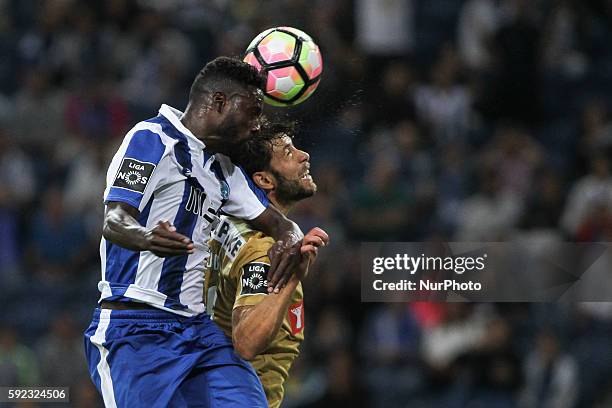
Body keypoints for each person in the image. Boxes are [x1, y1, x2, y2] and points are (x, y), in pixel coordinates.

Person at [84, 57, 312, 408]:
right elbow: (114, 219)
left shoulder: (222, 168)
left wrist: (290, 243)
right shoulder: (152, 139)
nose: (256, 126)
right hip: (135, 328)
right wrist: (145, 238)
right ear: (219, 102)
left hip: (197, 332)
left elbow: (282, 224)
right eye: (252, 113)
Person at [204, 121, 329, 408]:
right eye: (288, 153)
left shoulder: (225, 223)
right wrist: (292, 279)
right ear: (264, 180)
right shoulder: (266, 250)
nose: (303, 155)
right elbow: (247, 342)